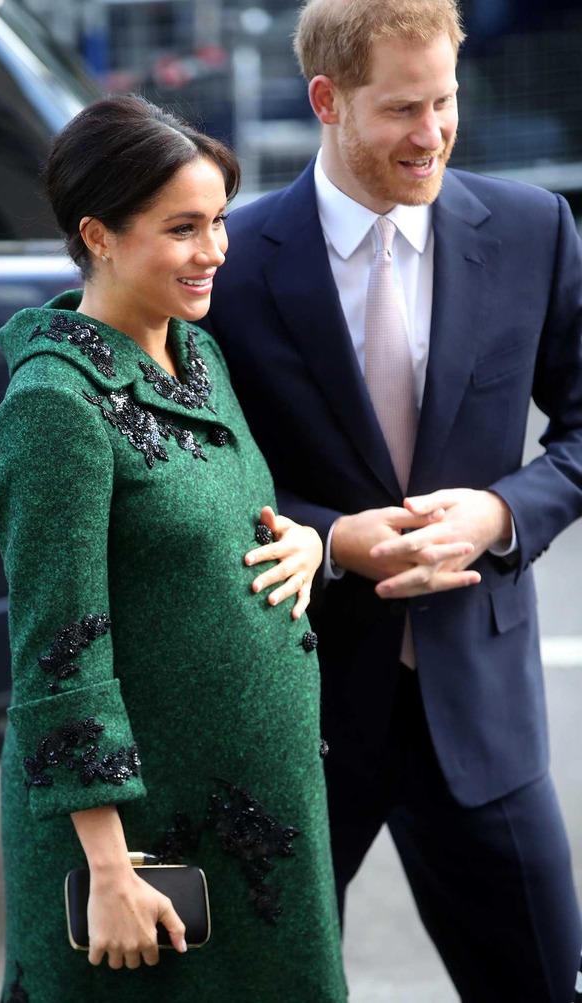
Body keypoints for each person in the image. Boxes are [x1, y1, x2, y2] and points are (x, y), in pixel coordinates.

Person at [204, 1, 582, 1000]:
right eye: (402, 109)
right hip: (297, 711)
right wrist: (332, 543)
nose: (433, 133)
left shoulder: (534, 230)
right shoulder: (231, 265)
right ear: (327, 101)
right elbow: (197, 472)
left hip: (482, 708)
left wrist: (503, 513)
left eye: (446, 101)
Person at [0, 94, 347, 1003]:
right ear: (98, 234)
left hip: (261, 821)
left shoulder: (195, 353)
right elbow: (56, 652)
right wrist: (109, 870)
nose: (216, 250)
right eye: (183, 228)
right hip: (146, 845)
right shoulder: (53, 408)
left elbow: (217, 523)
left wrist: (301, 541)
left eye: (219, 220)